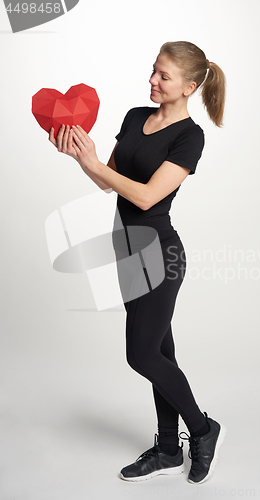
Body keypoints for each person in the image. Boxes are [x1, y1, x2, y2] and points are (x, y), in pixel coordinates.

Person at [49, 41, 226, 485]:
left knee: (142, 354)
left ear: (189, 86)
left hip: (160, 254)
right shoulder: (133, 117)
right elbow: (109, 182)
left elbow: (147, 196)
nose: (152, 80)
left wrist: (93, 162)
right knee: (160, 352)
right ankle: (168, 447)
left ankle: (203, 430)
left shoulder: (190, 136)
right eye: (153, 71)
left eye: (163, 76)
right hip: (125, 249)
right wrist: (78, 155)